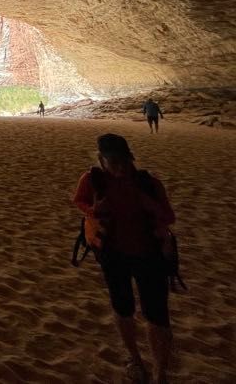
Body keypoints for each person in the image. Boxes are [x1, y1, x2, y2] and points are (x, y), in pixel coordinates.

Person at [73, 134, 176, 384]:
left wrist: (149, 205)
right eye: (113, 162)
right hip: (113, 256)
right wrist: (93, 210)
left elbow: (168, 216)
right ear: (101, 160)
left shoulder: (148, 183)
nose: (120, 167)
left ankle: (160, 373)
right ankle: (135, 359)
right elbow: (79, 200)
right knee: (123, 309)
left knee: (157, 316)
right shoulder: (92, 180)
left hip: (149, 255)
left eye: (124, 161)